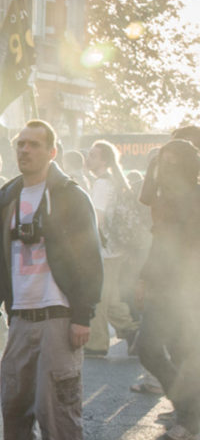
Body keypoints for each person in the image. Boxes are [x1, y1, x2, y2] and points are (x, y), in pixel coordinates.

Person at [0, 119, 102, 440]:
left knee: (58, 409)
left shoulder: (70, 195)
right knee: (14, 405)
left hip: (58, 313)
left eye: (33, 144)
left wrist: (82, 314)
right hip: (20, 318)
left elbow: (90, 259)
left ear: (52, 151)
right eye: (20, 143)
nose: (24, 150)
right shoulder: (9, 195)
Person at [134, 140, 200, 440]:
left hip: (184, 287)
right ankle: (187, 409)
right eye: (164, 161)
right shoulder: (164, 196)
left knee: (176, 350)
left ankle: (189, 412)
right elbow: (145, 197)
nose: (166, 167)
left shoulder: (194, 198)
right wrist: (145, 278)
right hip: (162, 283)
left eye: (173, 162)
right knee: (152, 349)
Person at [83, 140, 138, 356]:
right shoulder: (116, 181)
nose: (88, 159)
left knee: (97, 296)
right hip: (117, 248)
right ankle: (134, 331)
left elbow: (97, 217)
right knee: (111, 295)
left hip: (104, 249)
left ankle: (96, 343)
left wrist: (87, 246)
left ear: (104, 160)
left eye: (93, 155)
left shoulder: (101, 184)